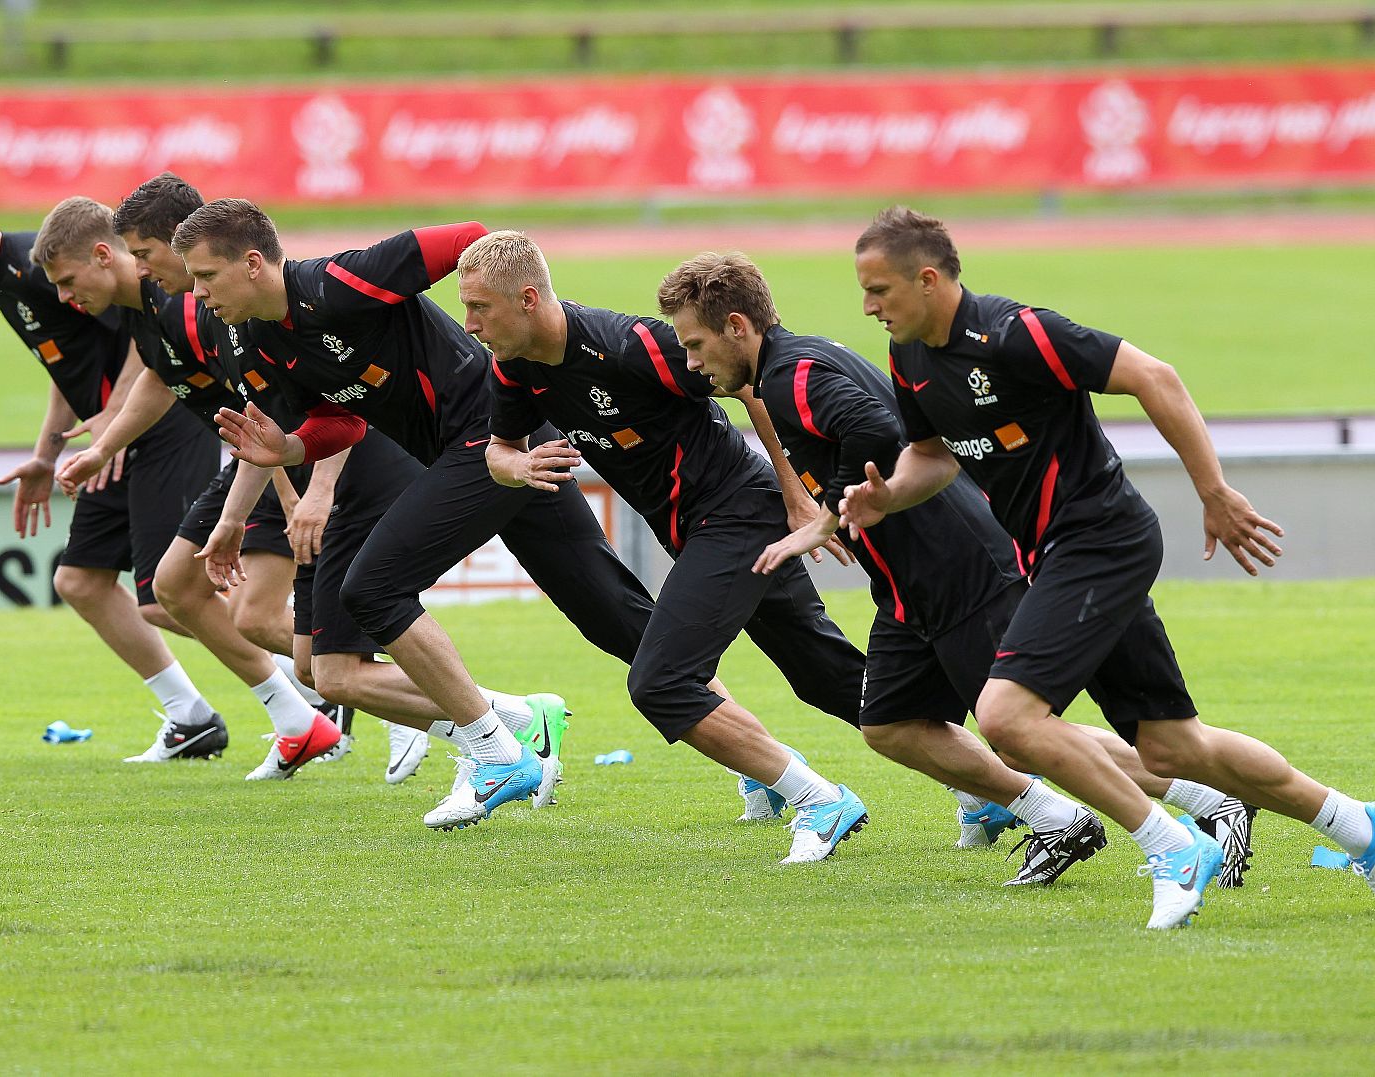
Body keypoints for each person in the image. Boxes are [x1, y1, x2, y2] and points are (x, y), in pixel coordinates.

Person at [657, 250, 1259, 891]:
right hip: (906, 588)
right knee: (890, 724)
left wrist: (830, 510)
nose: (692, 363)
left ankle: (1204, 802)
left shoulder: (792, 375)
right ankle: (1056, 813)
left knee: (1022, 732)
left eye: (695, 344)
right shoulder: (789, 368)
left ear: (737, 327)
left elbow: (874, 426)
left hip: (960, 569)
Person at [840, 206, 1374, 925]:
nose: (869, 306)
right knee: (1171, 743)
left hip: (1100, 538)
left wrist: (1213, 492)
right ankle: (1358, 827)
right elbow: (931, 454)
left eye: (879, 290)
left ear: (927, 279)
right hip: (1057, 553)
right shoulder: (910, 358)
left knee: (1005, 715)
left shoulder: (1016, 333)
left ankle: (1169, 844)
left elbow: (1156, 376)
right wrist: (889, 495)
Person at [171, 201, 624, 829]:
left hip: (492, 434)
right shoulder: (244, 339)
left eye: (205, 277)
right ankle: (764, 770)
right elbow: (344, 420)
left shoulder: (336, 284)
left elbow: (471, 237)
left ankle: (496, 750)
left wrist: (526, 333)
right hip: (463, 457)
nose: (196, 294)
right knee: (617, 618)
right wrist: (293, 449)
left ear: (252, 264)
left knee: (374, 588)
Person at [461, 229, 889, 863]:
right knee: (821, 674)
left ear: (527, 298)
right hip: (699, 529)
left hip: (738, 513)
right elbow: (499, 449)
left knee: (661, 681)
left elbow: (750, 384)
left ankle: (817, 797)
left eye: (479, 307)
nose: (468, 324)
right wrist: (515, 468)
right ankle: (987, 787)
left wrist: (797, 488)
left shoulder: (630, 345)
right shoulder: (514, 368)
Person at [0, 171, 224, 757]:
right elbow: (66, 367)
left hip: (159, 426)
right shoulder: (2, 280)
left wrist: (111, 421)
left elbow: (147, 328)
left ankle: (308, 666)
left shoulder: (42, 269)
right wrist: (48, 452)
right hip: (108, 444)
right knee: (81, 580)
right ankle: (191, 717)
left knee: (170, 596)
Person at [32, 193, 350, 778]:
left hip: (298, 453)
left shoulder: (187, 307)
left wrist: (288, 495)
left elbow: (258, 403)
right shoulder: (148, 309)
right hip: (265, 456)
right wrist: (103, 445)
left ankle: (444, 713)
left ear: (110, 255)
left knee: (297, 640)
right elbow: (159, 378)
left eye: (68, 280)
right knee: (177, 590)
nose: (61, 298)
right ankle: (304, 719)